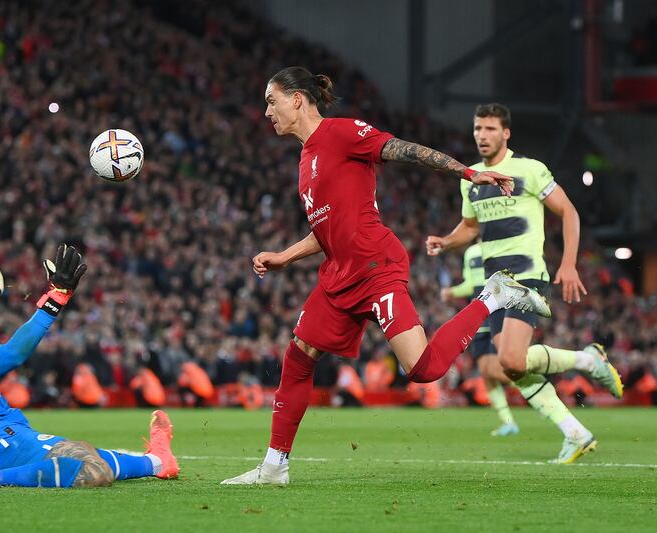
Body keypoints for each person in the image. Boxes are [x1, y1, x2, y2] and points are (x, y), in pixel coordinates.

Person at [221, 67, 551, 485]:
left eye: (271, 100)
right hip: (339, 275)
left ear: (297, 99)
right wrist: (287, 256)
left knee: (423, 370)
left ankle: (493, 296)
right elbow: (328, 228)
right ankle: (274, 466)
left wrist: (470, 173)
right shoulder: (306, 159)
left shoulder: (341, 134)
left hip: (376, 266)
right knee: (299, 356)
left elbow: (406, 150)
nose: (267, 111)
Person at [426, 103, 624, 464]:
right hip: (495, 285)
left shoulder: (529, 170)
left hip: (527, 273)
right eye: (477, 129)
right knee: (510, 366)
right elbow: (469, 228)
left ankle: (587, 370)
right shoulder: (469, 179)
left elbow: (569, 212)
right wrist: (445, 240)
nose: (482, 135)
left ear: (506, 133)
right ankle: (576, 424)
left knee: (511, 360)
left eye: (489, 129)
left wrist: (568, 264)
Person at [0, 244, 178, 488]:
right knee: (90, 468)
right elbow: (12, 354)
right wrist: (56, 298)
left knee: (79, 453)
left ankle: (157, 461)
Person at [440, 240, 519, 436]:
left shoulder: (501, 246)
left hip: (498, 311)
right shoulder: (471, 252)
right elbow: (472, 285)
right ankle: (508, 422)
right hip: (480, 314)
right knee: (486, 371)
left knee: (497, 370)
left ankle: (538, 384)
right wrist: (452, 292)